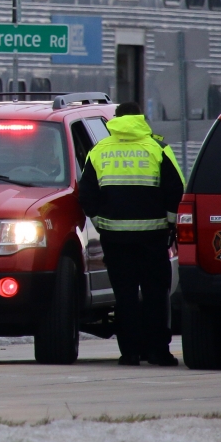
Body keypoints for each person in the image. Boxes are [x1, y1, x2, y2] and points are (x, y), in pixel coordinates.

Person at [78, 102, 185, 366]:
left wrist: (101, 223)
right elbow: (176, 190)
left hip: (115, 239)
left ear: (116, 119)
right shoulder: (158, 149)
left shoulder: (99, 150)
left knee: (124, 297)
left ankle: (130, 354)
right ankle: (158, 352)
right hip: (153, 238)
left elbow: (87, 195)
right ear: (140, 118)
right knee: (155, 296)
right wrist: (171, 225)